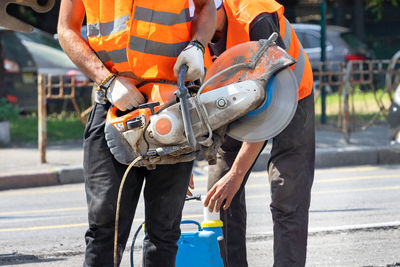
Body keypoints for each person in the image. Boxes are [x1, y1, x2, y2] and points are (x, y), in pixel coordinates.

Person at [57, 0, 216, 266]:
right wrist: (106, 80)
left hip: (171, 105)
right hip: (114, 104)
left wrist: (198, 45)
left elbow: (206, 6)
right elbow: (67, 29)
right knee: (104, 227)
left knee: (164, 231)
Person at [203, 0, 315, 266]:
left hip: (290, 94)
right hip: (233, 98)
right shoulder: (191, 35)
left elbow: (269, 105)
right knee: (219, 192)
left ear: (211, 10)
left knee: (287, 192)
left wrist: (238, 173)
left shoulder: (256, 18)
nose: (190, 30)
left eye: (195, 20)